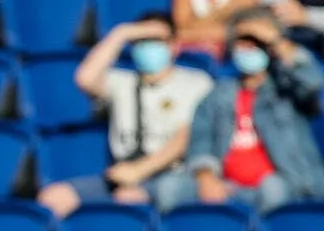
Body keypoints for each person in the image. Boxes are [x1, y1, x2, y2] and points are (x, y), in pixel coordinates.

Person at [36, 12, 213, 218]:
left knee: (127, 199)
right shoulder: (121, 81)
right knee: (53, 197)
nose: (148, 46)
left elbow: (186, 137)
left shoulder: (196, 82)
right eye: (141, 40)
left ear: (174, 45)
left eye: (156, 40)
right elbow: (85, 78)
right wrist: (121, 33)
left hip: (172, 173)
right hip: (122, 172)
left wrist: (139, 170)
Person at [158, 6, 324, 214]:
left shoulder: (286, 90)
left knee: (273, 189)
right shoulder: (218, 94)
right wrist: (206, 177)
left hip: (283, 183)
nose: (248, 48)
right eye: (242, 41)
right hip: (227, 185)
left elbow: (312, 83)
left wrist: (277, 41)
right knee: (169, 188)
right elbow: (200, 141)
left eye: (256, 43)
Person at [173, 0, 258, 56]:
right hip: (193, 55)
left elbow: (244, 30)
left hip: (231, 56)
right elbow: (180, 32)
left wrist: (195, 27)